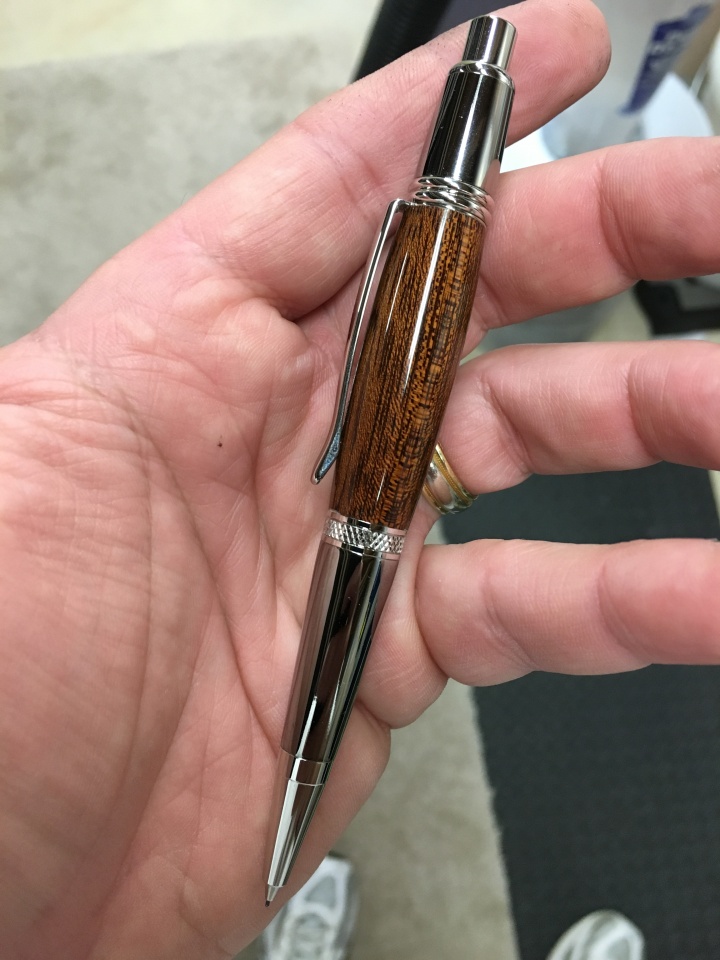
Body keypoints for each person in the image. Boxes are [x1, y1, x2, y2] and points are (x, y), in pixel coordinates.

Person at [1, 0, 719, 957]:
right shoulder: (425, 223)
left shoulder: (438, 227)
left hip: (368, 511)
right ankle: (294, 808)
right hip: (366, 513)